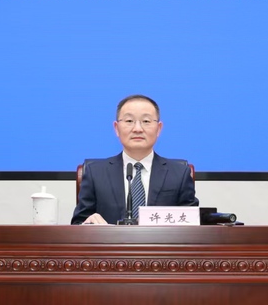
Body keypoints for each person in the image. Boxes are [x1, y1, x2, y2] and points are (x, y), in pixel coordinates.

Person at [72, 95, 198, 225]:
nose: (137, 129)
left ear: (159, 128)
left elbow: (193, 225)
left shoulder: (179, 174)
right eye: (129, 121)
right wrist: (87, 224)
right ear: (116, 128)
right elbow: (77, 224)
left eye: (146, 121)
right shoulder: (95, 173)